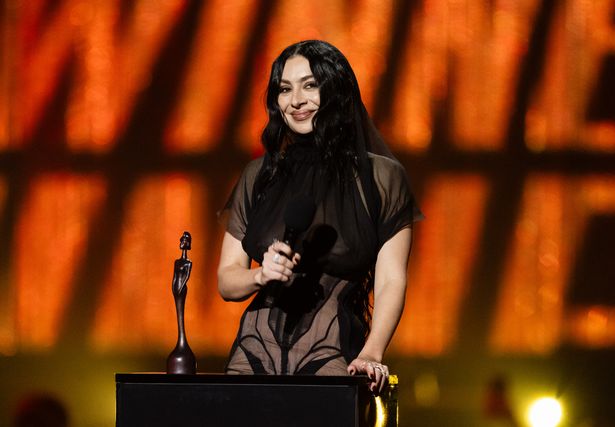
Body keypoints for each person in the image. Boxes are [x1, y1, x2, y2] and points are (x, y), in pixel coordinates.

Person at [218, 40, 423, 393]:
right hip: (252, 357)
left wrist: (372, 352)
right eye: (285, 89)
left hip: (333, 356)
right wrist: (260, 276)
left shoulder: (381, 177)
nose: (295, 100)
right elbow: (226, 279)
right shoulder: (260, 175)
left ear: (335, 90)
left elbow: (391, 278)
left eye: (310, 85)